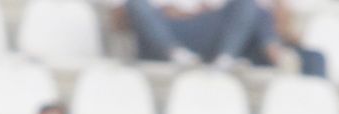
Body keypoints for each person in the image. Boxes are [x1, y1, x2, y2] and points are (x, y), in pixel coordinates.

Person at [123, 0, 292, 68]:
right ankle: (176, 55)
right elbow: (121, 19)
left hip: (209, 32)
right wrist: (168, 8)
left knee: (249, 5)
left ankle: (225, 60)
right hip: (166, 31)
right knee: (135, 3)